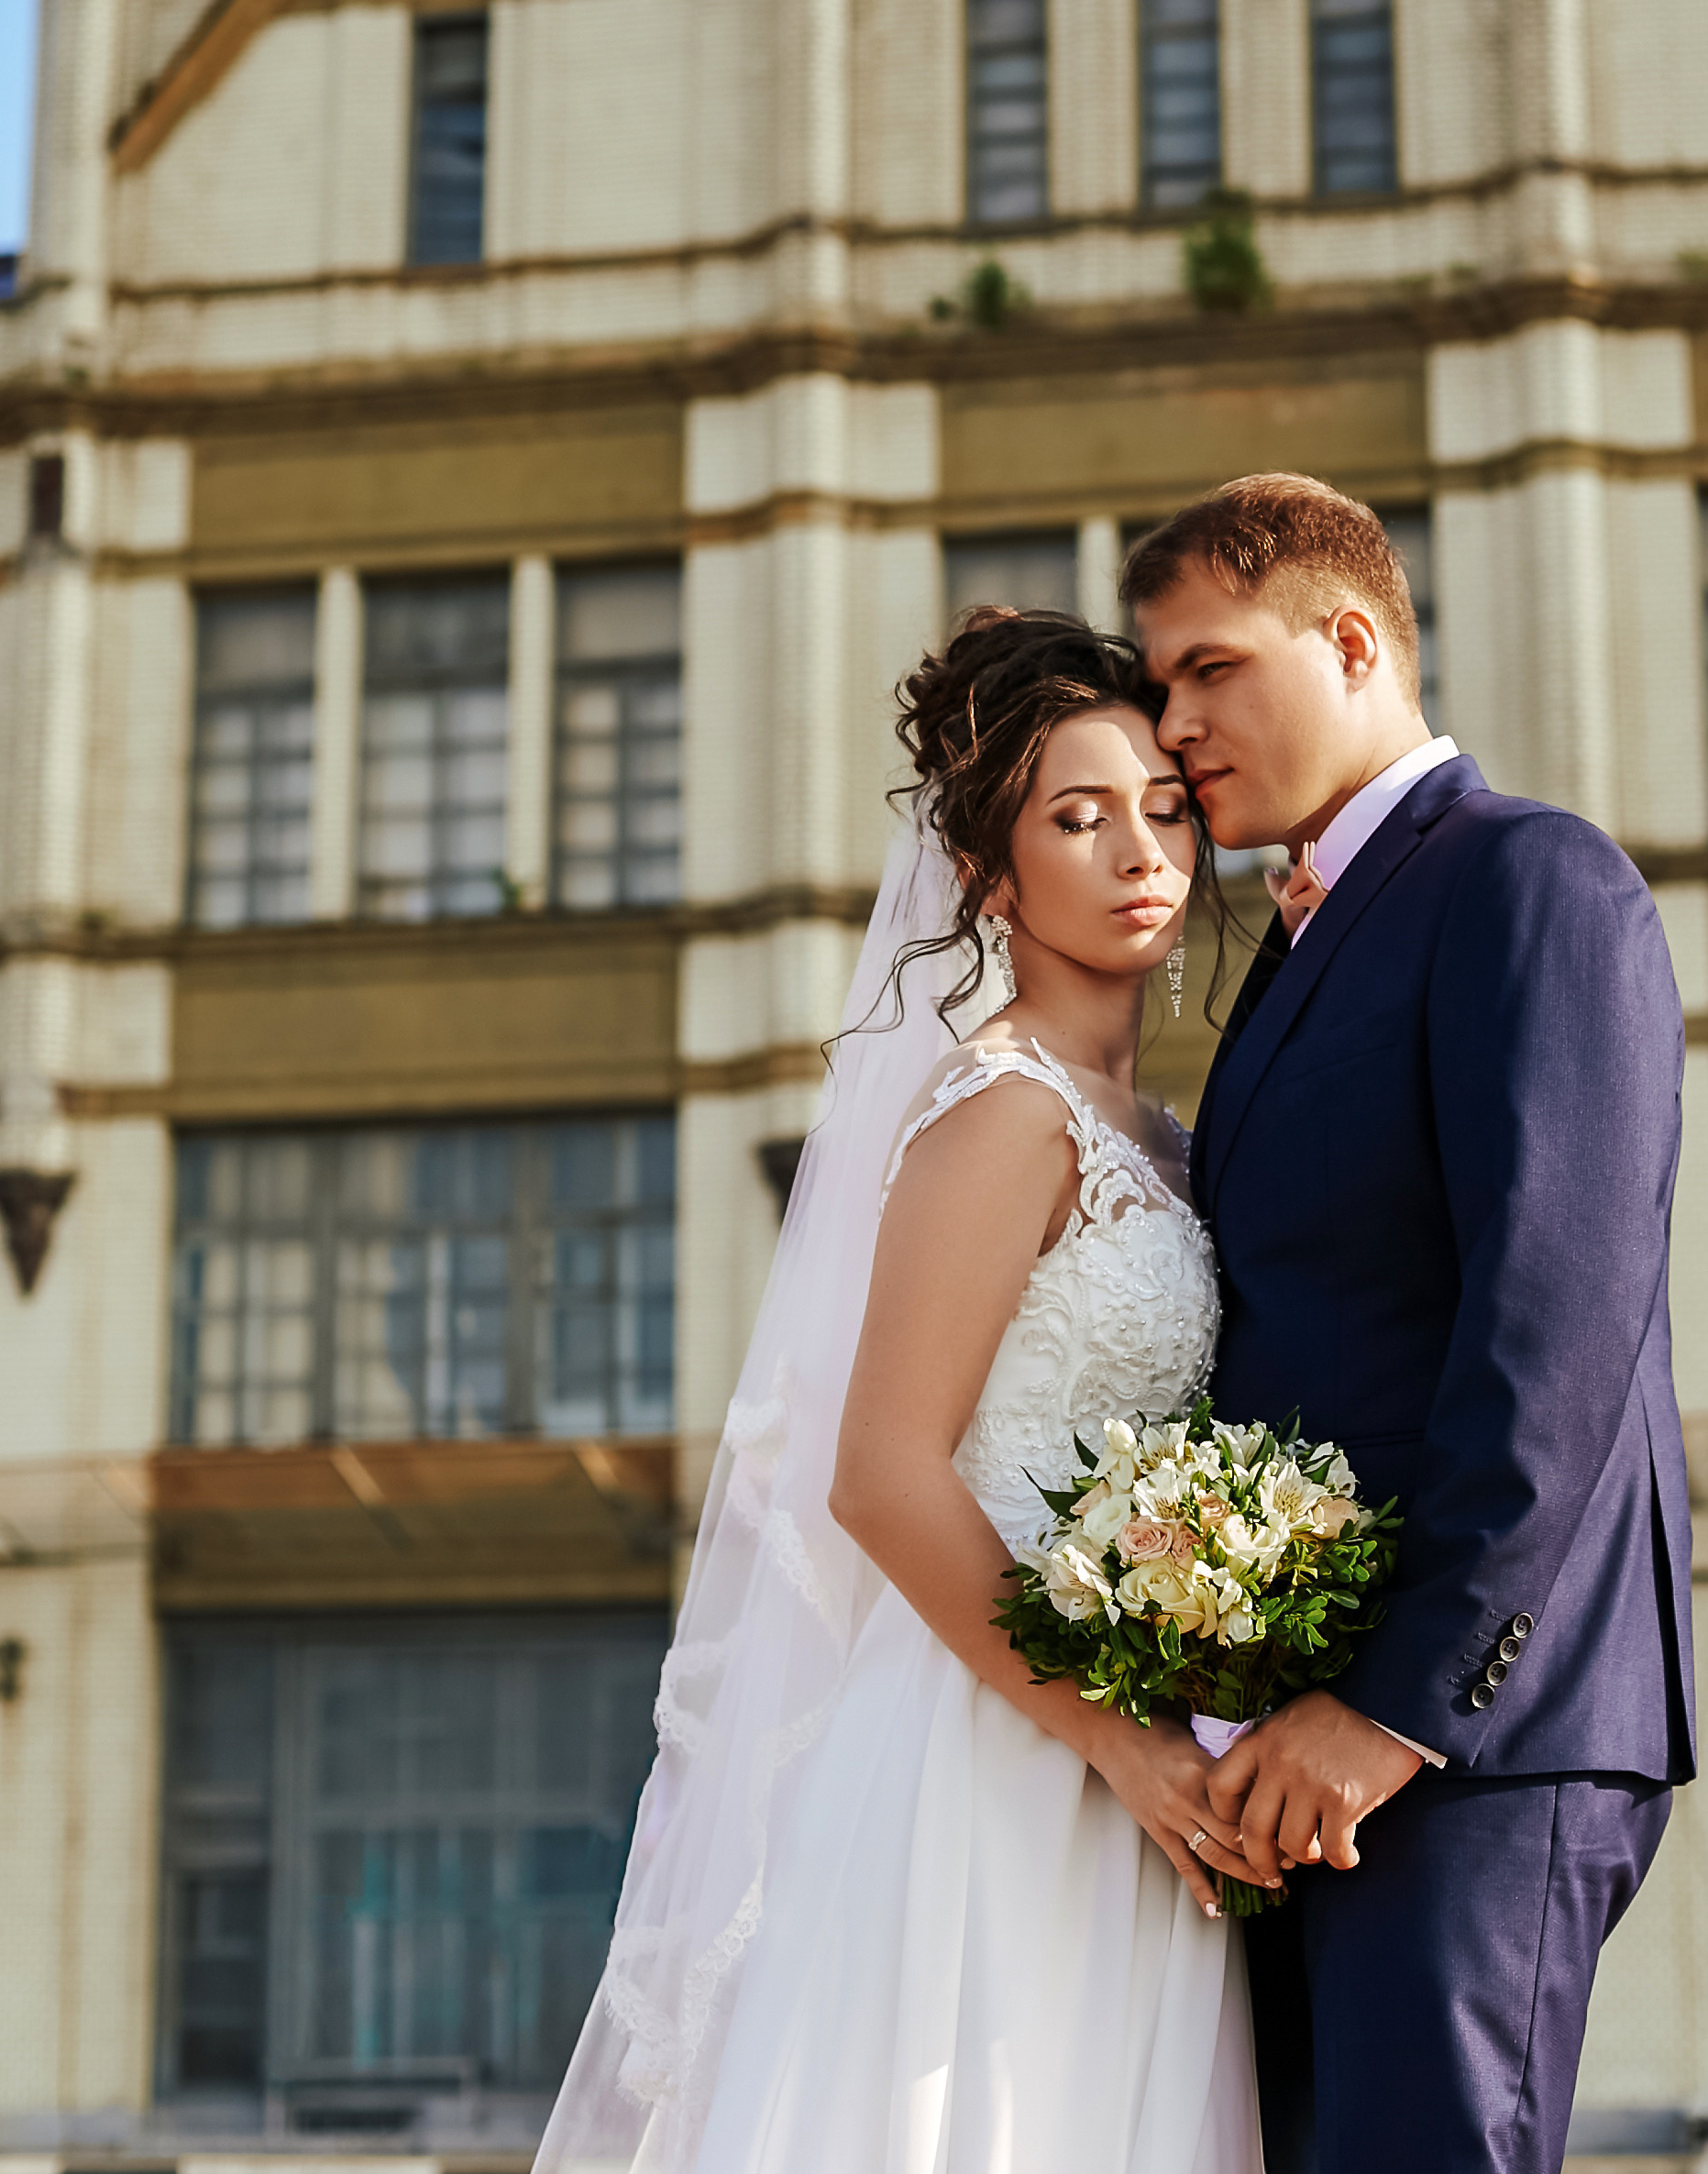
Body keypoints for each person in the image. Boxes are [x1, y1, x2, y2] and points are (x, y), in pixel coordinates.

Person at [533, 607, 1266, 2174]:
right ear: (992, 877)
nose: (1139, 848)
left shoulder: (1160, 1135)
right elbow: (879, 1471)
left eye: (1160, 806)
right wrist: (1113, 1733)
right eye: (1077, 816)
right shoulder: (1003, 1111)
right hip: (991, 1744)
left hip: (1128, 1739)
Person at [1125, 476, 1695, 2174]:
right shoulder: (1292, 952)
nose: (1175, 725)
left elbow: (1558, 1320)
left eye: (1209, 668)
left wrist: (1399, 1704)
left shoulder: (1534, 881)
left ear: (1352, 638)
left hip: (1468, 1743)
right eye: (1161, 685)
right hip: (1298, 1753)